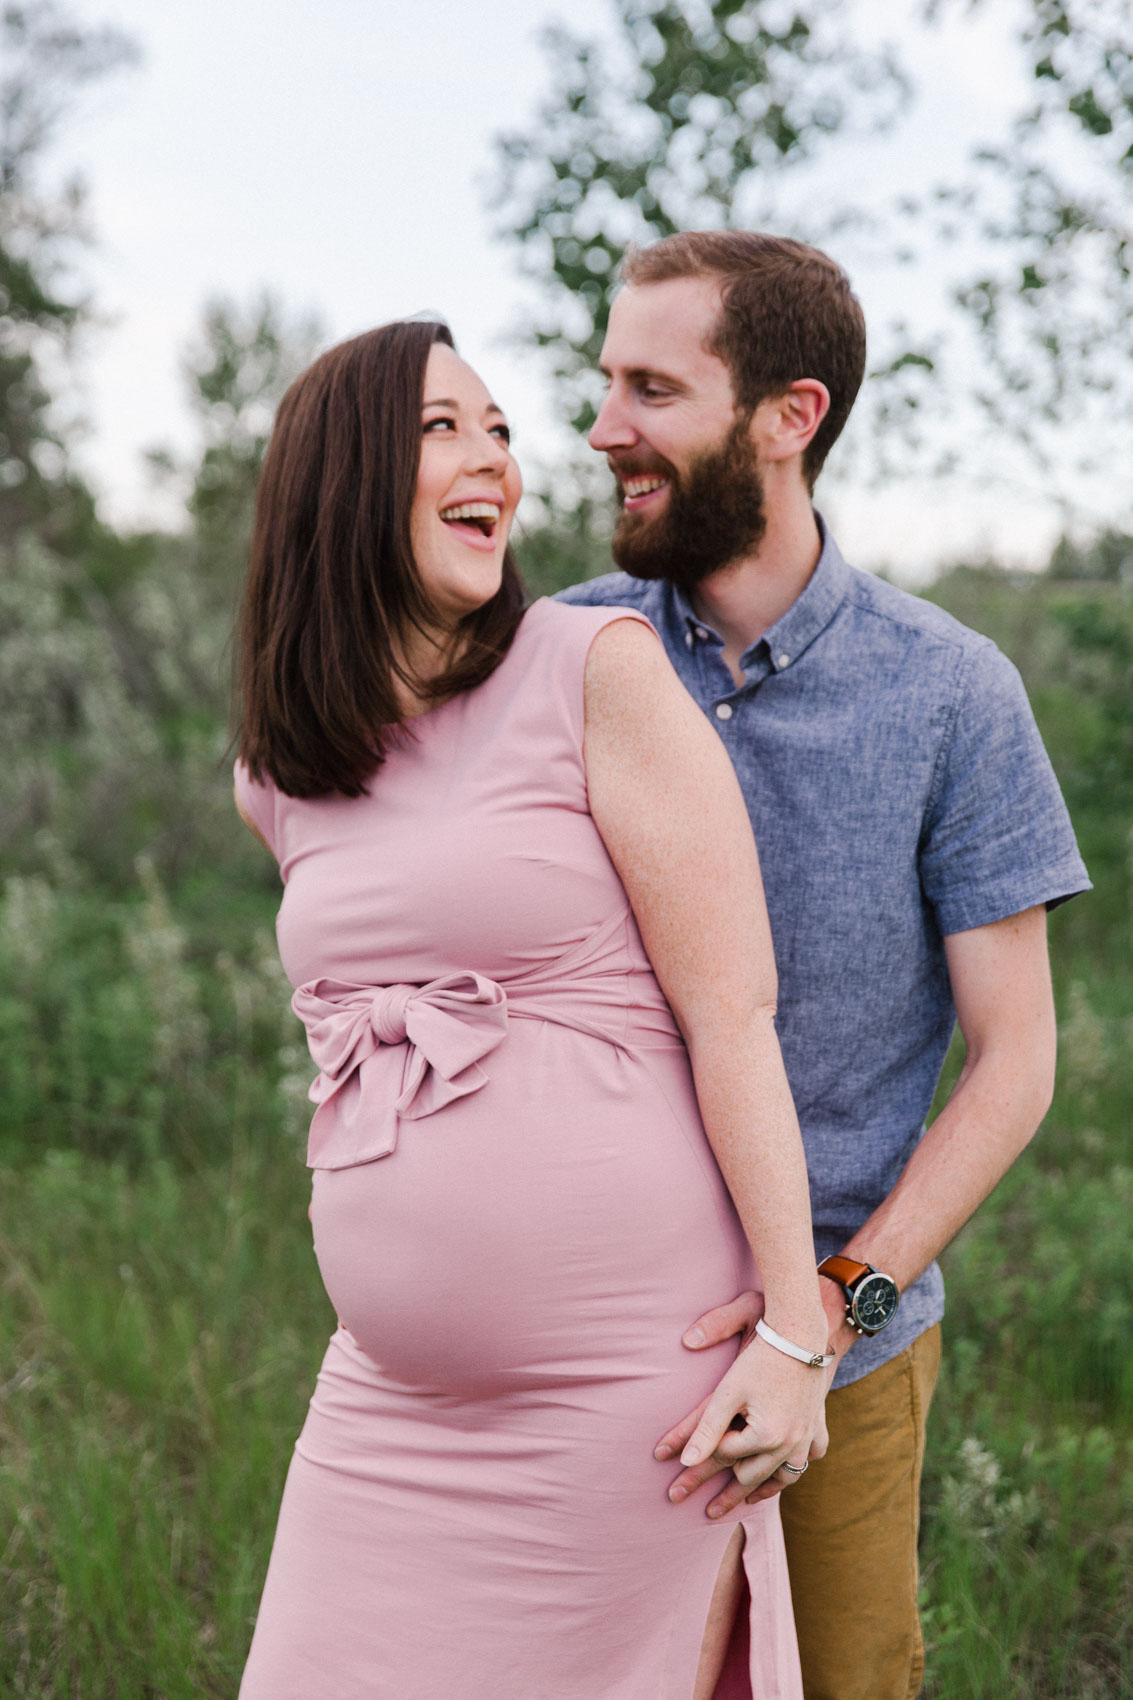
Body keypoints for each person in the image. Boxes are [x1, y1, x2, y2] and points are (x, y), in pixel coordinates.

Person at [232, 316, 834, 1699]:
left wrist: (792, 1335)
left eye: (498, 430)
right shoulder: (280, 771)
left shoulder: (589, 669)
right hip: (388, 1399)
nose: (492, 460)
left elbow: (733, 1018)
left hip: (618, 1398)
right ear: (338, 479)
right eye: (443, 427)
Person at [557, 230, 1091, 1700]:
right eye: (606, 383)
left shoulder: (952, 695)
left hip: (843, 1361)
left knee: (845, 1684)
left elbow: (1017, 1060)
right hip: (583, 1332)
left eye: (651, 389)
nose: (603, 428)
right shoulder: (552, 661)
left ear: (787, 418)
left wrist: (829, 1313)